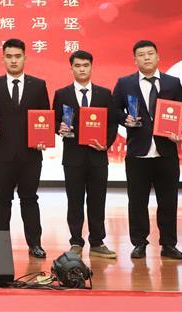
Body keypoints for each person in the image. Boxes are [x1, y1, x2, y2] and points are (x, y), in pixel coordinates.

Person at [110, 39, 182, 260]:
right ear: (135, 60)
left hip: (166, 152)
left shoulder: (173, 82)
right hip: (138, 152)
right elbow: (114, 110)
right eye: (141, 55)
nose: (146, 57)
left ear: (158, 56)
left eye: (150, 53)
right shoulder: (125, 83)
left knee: (168, 201)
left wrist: (179, 130)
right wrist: (125, 119)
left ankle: (169, 244)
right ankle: (139, 243)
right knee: (137, 201)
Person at [0, 38, 50, 258]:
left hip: (31, 154)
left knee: (30, 199)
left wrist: (43, 138)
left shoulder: (38, 85)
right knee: (2, 199)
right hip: (3, 154)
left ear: (25, 58)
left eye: (17, 56)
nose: (13, 60)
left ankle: (35, 244)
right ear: (3, 59)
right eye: (9, 56)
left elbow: (45, 116)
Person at [51, 50, 117, 259]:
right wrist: (59, 128)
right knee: (75, 201)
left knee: (98, 200)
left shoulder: (104, 94)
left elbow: (112, 122)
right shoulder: (62, 94)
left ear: (91, 67)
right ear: (71, 68)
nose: (82, 69)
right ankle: (76, 241)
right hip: (73, 157)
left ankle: (97, 242)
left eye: (85, 65)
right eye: (77, 66)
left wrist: (106, 144)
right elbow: (54, 121)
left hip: (98, 157)